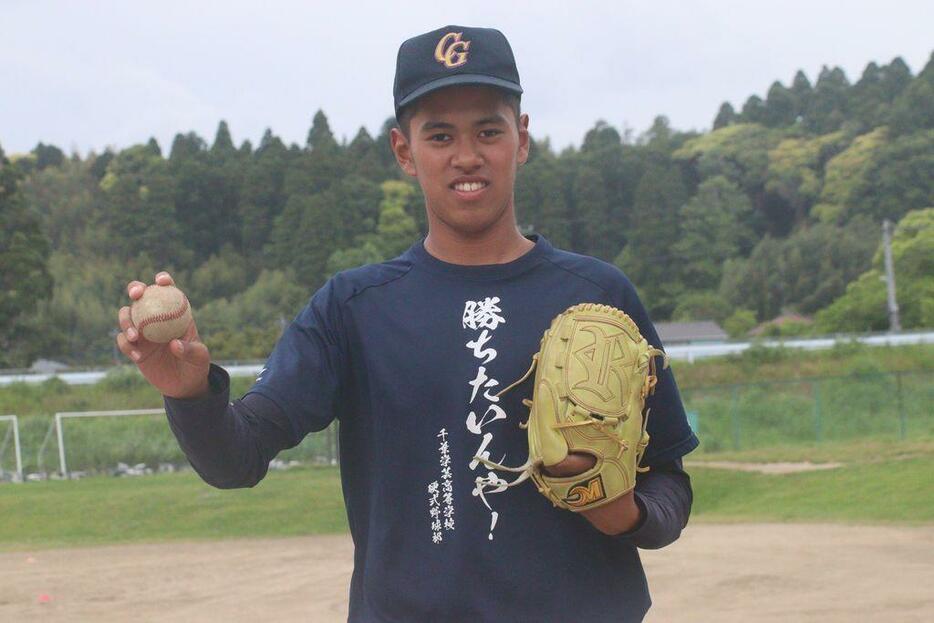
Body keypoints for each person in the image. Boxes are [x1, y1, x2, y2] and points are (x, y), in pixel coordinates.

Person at [116, 25, 699, 623]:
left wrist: (625, 514)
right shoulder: (354, 308)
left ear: (521, 139)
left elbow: (669, 484)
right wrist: (189, 393)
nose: (466, 155)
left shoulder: (598, 298)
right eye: (439, 135)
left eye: (488, 130)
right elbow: (236, 459)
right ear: (403, 150)